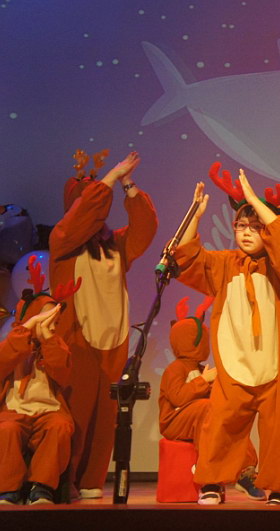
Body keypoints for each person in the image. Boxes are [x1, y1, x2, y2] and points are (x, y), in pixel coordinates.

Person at [172, 164, 280, 505]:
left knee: (279, 429)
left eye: (255, 227)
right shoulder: (224, 263)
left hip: (273, 365)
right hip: (234, 364)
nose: (246, 233)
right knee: (221, 424)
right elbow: (187, 258)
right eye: (241, 226)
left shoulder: (279, 267)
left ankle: (279, 486)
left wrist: (255, 201)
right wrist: (195, 215)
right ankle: (213, 482)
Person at [49, 150, 157, 498]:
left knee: (107, 414)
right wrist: (109, 177)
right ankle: (64, 479)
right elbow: (83, 214)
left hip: (113, 339)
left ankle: (91, 479)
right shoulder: (62, 242)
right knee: (77, 410)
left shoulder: (116, 245)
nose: (97, 210)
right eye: (91, 203)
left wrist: (128, 184)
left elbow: (145, 229)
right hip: (77, 339)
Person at [158, 296, 265, 500]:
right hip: (174, 421)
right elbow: (179, 398)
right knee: (207, 408)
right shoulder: (175, 369)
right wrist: (204, 380)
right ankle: (209, 472)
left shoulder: (200, 368)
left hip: (198, 420)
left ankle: (246, 470)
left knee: (229, 416)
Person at [0, 258, 79, 505]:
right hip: (14, 411)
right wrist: (27, 330)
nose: (51, 324)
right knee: (6, 430)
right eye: (45, 319)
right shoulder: (13, 341)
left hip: (48, 410)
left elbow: (62, 373)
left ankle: (42, 487)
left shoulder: (55, 343)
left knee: (59, 427)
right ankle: (8, 490)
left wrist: (48, 339)